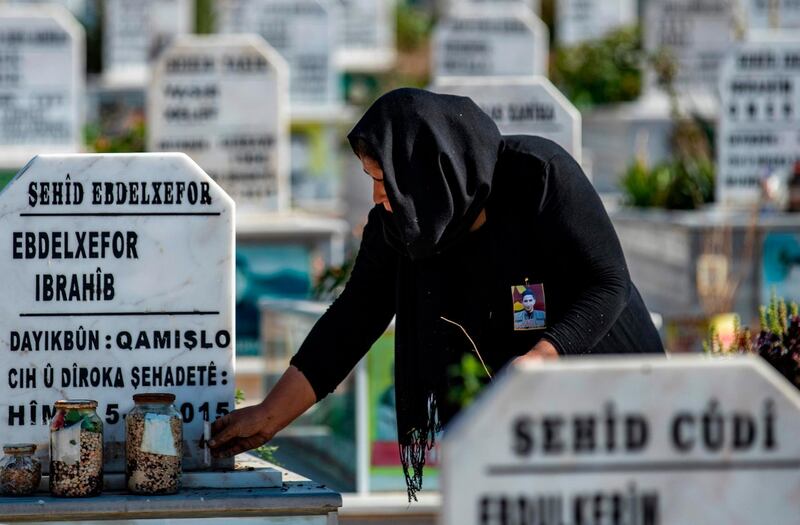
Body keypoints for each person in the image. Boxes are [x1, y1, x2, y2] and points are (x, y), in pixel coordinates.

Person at [208, 88, 665, 498]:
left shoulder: (539, 176)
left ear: (426, 171)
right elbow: (352, 320)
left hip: (616, 395)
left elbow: (608, 283)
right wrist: (269, 415)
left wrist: (540, 360)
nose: (376, 197)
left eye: (383, 180)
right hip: (522, 418)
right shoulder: (401, 227)